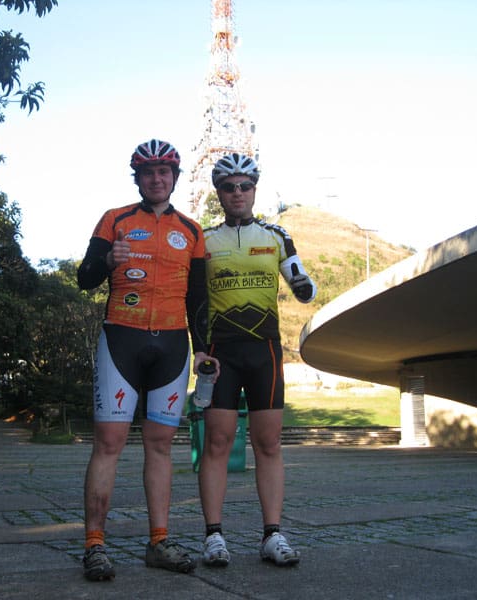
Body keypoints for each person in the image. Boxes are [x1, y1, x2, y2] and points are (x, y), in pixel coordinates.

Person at [77, 139, 216, 581]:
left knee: (160, 445)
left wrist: (203, 348)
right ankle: (94, 545)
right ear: (137, 178)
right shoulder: (114, 220)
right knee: (109, 443)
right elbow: (84, 278)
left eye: (164, 172)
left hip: (172, 345)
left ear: (175, 178)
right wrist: (107, 259)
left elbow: (199, 298)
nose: (157, 179)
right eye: (148, 172)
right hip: (122, 337)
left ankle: (159, 541)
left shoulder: (192, 231)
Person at [198, 153, 316, 568]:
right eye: (229, 187)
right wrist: (197, 349)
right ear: (219, 193)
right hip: (221, 354)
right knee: (217, 443)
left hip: (265, 351)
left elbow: (302, 282)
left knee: (268, 444)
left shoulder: (277, 236)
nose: (238, 193)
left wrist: (303, 285)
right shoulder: (203, 239)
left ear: (254, 190)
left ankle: (272, 534)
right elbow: (193, 299)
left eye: (245, 186)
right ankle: (214, 536)